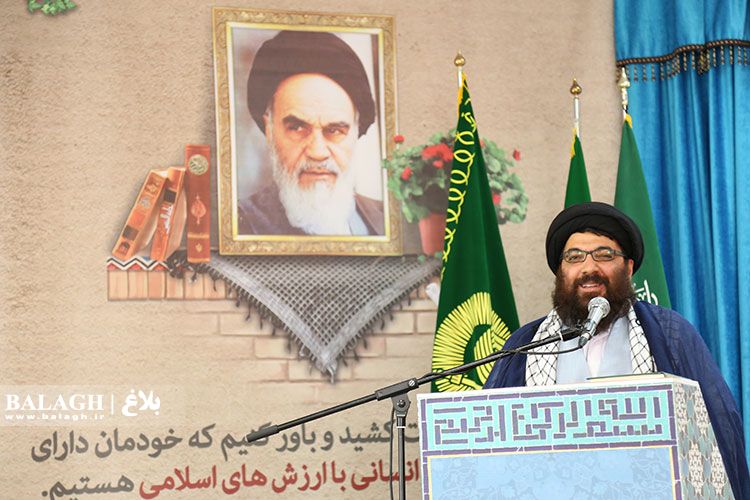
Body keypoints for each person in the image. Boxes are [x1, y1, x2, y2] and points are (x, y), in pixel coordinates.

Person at [484, 201, 749, 498]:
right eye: (574, 257)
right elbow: (491, 446)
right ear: (560, 271)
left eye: (604, 255)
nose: (589, 268)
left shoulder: (668, 333)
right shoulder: (526, 345)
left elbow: (717, 425)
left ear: (629, 267)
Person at [238, 30, 384, 236]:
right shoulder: (241, 225)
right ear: (270, 130)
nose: (317, 152)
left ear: (356, 131)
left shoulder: (388, 219)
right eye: (298, 128)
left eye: (334, 130)